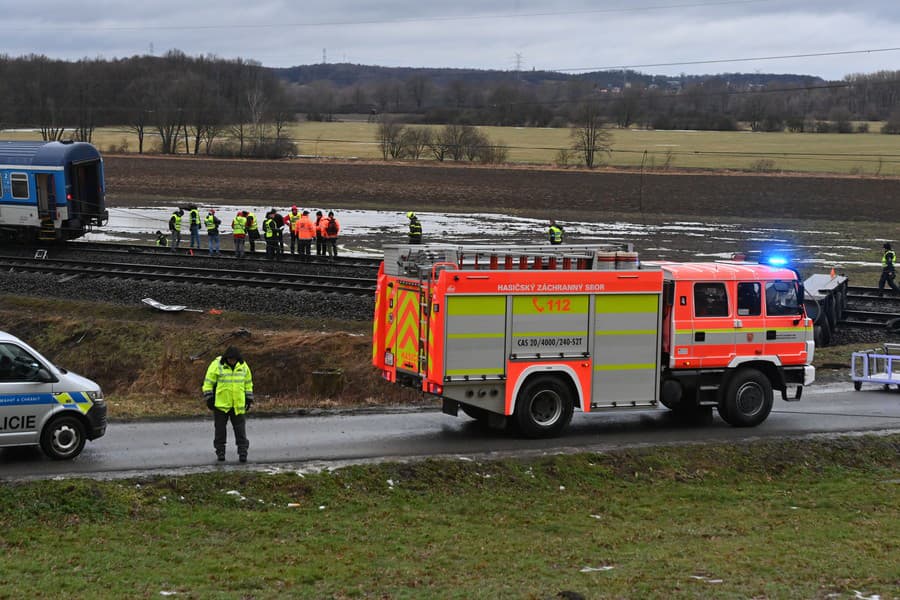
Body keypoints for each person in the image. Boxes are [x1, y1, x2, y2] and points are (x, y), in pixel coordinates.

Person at [202, 346, 254, 463]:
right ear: (226, 358)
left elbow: (248, 383)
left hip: (238, 405)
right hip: (221, 405)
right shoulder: (216, 365)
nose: (232, 361)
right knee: (220, 431)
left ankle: (243, 453)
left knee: (240, 432)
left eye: (234, 359)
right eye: (230, 359)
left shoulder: (243, 366)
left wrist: (249, 398)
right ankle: (220, 452)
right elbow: (208, 382)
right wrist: (209, 398)